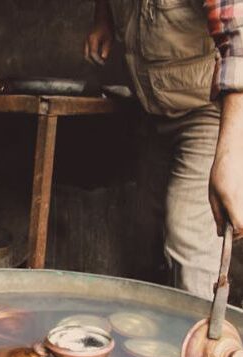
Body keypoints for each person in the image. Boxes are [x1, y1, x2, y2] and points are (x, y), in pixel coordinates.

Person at [85, 0, 243, 300]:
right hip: (152, 113)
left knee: (190, 242)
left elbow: (241, 40)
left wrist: (230, 156)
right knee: (146, 240)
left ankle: (204, 345)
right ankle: (157, 339)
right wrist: (102, 18)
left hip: (207, 114)